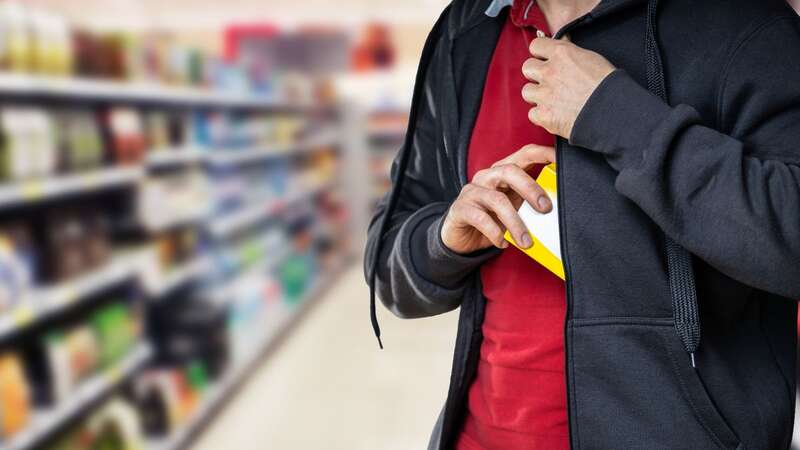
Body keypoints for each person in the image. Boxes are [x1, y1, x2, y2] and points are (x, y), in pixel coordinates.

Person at [364, 0, 800, 448]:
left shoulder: (747, 25)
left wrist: (614, 113)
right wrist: (444, 242)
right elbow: (389, 269)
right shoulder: (469, 29)